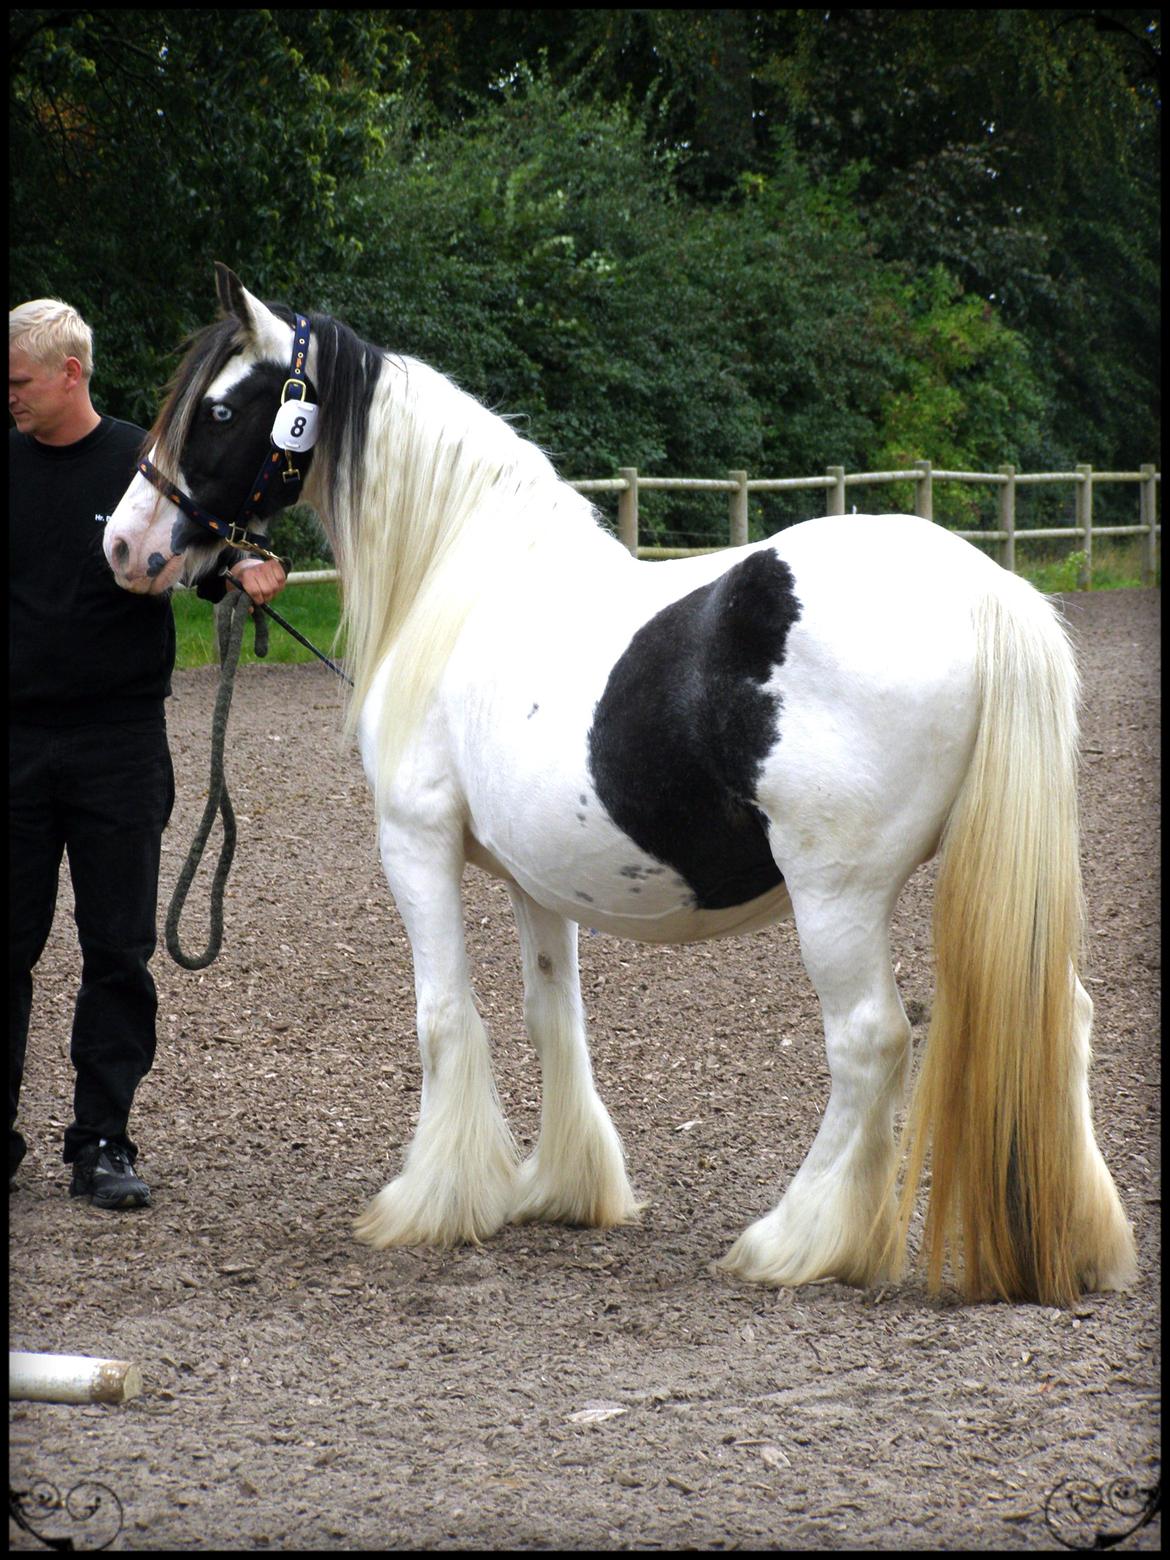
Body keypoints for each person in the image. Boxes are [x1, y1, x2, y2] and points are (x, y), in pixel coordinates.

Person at [9, 296, 287, 1208]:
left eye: (17, 381)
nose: (7, 396)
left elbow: (204, 557)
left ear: (69, 373)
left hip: (118, 745)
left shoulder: (146, 465)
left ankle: (102, 1139)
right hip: (13, 742)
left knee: (117, 949)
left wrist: (244, 569)